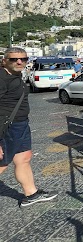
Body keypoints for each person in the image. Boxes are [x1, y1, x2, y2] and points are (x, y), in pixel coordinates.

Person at [0, 47, 58, 207]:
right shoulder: (2, 78)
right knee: (2, 164)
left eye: (23, 59)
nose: (19, 62)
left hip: (20, 124)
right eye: (14, 59)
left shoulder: (16, 76)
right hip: (6, 128)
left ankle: (31, 194)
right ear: (4, 60)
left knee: (23, 158)